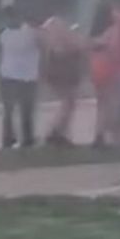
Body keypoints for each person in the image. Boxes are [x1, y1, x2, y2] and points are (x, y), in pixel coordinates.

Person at [88, 0, 120, 148]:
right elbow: (115, 48)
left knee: (101, 104)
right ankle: (114, 135)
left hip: (95, 67)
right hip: (111, 67)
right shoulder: (114, 28)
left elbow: (90, 45)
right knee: (115, 104)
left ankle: (98, 135)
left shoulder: (95, 30)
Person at [0, 6, 41, 150]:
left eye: (12, 16)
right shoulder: (6, 34)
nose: (10, 20)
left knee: (23, 110)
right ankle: (11, 139)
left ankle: (23, 139)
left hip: (24, 77)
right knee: (12, 111)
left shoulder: (28, 33)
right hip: (13, 76)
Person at [40, 13, 86, 147]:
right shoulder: (59, 41)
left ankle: (60, 133)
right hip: (62, 75)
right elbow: (69, 50)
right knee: (68, 103)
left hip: (65, 75)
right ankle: (55, 132)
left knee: (69, 104)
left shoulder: (55, 38)